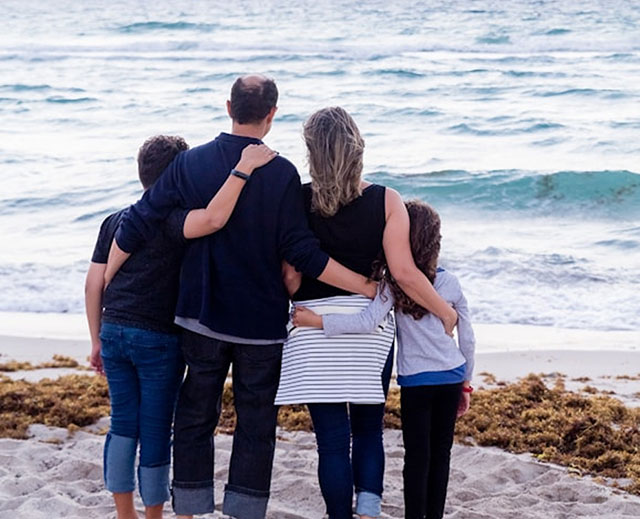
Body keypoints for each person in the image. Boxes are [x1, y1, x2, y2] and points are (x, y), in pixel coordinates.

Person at [105, 76, 376, 519]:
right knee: (255, 426)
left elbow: (140, 220)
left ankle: (188, 511)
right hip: (260, 324)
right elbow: (301, 251)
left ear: (228, 106)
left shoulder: (190, 163)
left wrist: (106, 282)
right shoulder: (283, 172)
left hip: (201, 317)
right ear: (273, 114)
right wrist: (363, 285)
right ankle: (244, 513)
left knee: (194, 417)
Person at [274, 107, 459, 519]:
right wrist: (445, 312)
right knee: (368, 429)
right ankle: (369, 508)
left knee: (333, 442)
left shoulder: (298, 200)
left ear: (312, 153)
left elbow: (288, 277)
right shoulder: (387, 200)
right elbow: (405, 274)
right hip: (369, 328)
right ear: (357, 147)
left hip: (312, 329)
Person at [85, 135, 276, 519]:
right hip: (157, 339)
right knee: (156, 428)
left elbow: (93, 283)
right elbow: (213, 218)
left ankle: (125, 512)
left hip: (113, 331)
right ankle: (154, 514)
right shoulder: (174, 220)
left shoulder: (116, 219)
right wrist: (243, 169)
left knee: (123, 423)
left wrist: (95, 340)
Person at [294, 200, 476, 519]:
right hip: (451, 376)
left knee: (417, 458)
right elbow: (468, 338)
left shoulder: (393, 283)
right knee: (441, 456)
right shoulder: (450, 282)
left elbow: (366, 322)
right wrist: (466, 382)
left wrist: (318, 321)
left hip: (416, 384)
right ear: (436, 242)